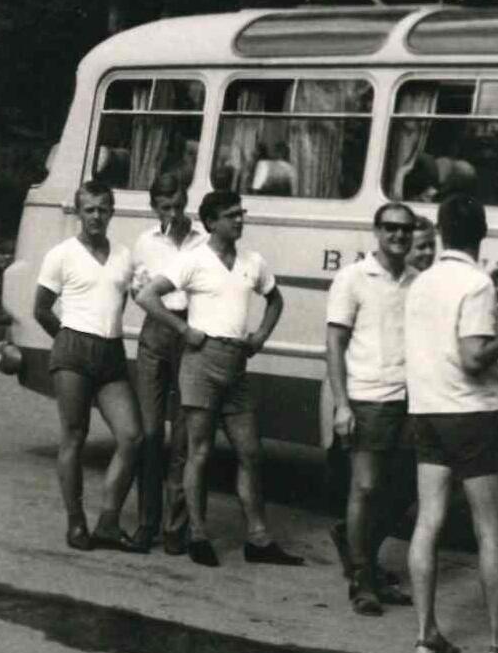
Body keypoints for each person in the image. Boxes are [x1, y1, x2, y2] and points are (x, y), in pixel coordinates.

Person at [403, 193, 498, 653]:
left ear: (440, 231)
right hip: (474, 415)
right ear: (482, 233)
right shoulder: (477, 283)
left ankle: (426, 637)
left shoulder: (420, 282)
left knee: (429, 522)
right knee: (490, 530)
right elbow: (474, 357)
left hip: (426, 410)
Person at [137, 189, 303, 568]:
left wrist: (260, 336)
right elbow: (147, 296)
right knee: (199, 451)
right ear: (211, 222)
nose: (240, 220)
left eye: (241, 214)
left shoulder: (252, 261)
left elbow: (275, 300)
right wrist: (182, 328)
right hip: (201, 362)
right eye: (231, 215)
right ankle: (197, 534)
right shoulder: (192, 260)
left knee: (250, 452)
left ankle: (259, 538)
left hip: (237, 364)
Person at [33, 180, 144, 553]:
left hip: (111, 352)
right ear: (79, 213)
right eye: (89, 209)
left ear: (112, 211)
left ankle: (108, 522)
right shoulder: (61, 254)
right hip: (74, 351)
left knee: (132, 437)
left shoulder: (125, 256)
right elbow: (41, 308)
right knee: (75, 436)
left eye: (103, 209)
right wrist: (66, 340)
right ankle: (76, 521)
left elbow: (126, 300)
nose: (96, 216)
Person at [325, 203, 420, 615]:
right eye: (391, 228)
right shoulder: (353, 278)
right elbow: (334, 343)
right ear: (376, 231)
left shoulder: (418, 281)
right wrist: (341, 403)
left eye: (405, 229)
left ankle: (356, 543)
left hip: (411, 400)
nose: (399, 235)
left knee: (404, 491)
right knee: (365, 487)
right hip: (367, 398)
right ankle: (363, 579)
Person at [129, 172, 206, 553]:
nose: (173, 214)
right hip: (156, 333)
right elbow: (139, 292)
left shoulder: (202, 242)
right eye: (165, 207)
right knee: (150, 432)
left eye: (178, 205)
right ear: (153, 206)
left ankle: (176, 528)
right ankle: (146, 522)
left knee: (183, 436)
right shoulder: (145, 242)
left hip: (191, 333)